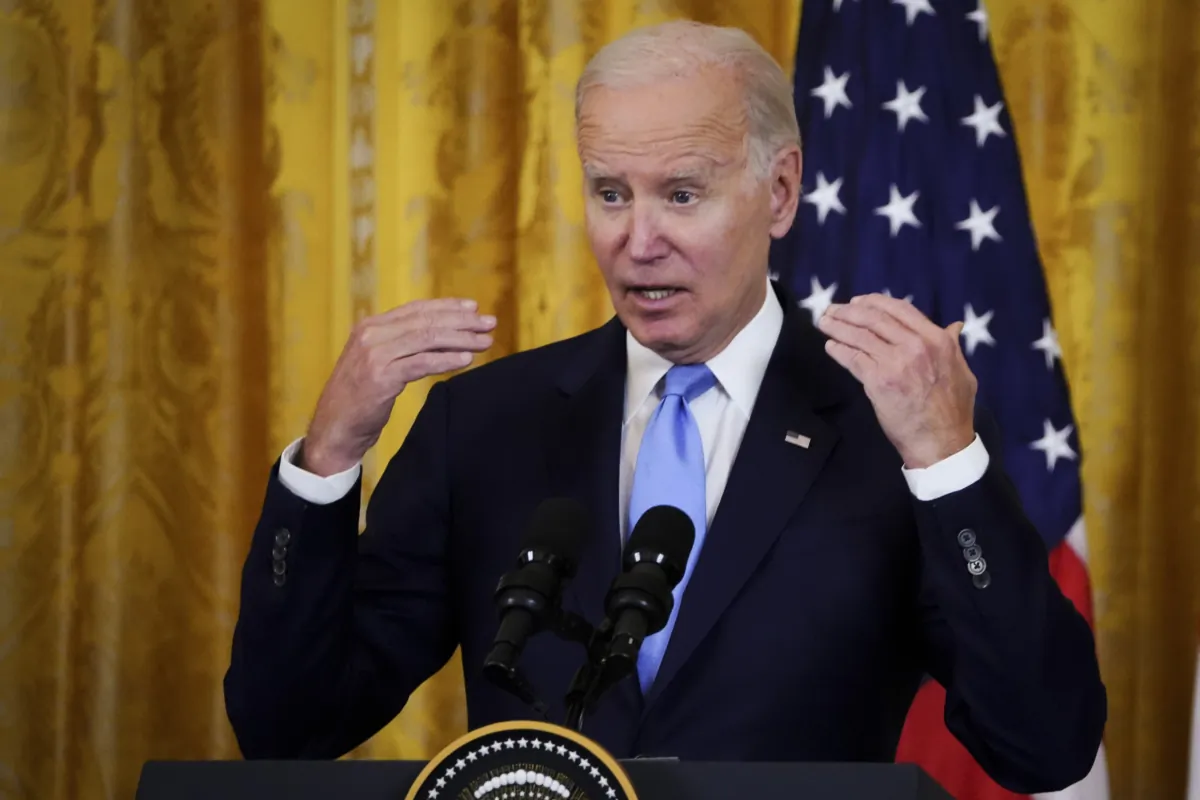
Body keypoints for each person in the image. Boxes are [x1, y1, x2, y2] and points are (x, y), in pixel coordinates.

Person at [223, 20, 1106, 794]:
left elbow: (1043, 743)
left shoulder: (891, 430)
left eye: (681, 194)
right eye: (611, 193)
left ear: (781, 190)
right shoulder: (483, 424)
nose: (637, 242)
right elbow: (289, 727)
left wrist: (949, 470)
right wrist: (327, 461)